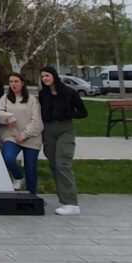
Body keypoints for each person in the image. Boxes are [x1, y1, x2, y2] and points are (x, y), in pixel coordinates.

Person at [39, 66, 87, 215]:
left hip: (65, 129)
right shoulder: (43, 94)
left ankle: (71, 202)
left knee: (62, 163)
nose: (45, 78)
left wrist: (68, 113)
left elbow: (83, 112)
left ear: (54, 76)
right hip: (48, 129)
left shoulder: (69, 93)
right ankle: (63, 200)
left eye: (47, 75)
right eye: (42, 76)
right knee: (54, 164)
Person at [0, 72, 42, 194]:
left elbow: (37, 121)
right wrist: (9, 117)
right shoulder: (5, 98)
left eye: (16, 81)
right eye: (11, 82)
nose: (13, 84)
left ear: (22, 83)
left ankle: (32, 195)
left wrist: (24, 135)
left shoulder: (32, 100)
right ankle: (18, 176)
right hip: (12, 135)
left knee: (30, 168)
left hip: (31, 137)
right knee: (8, 158)